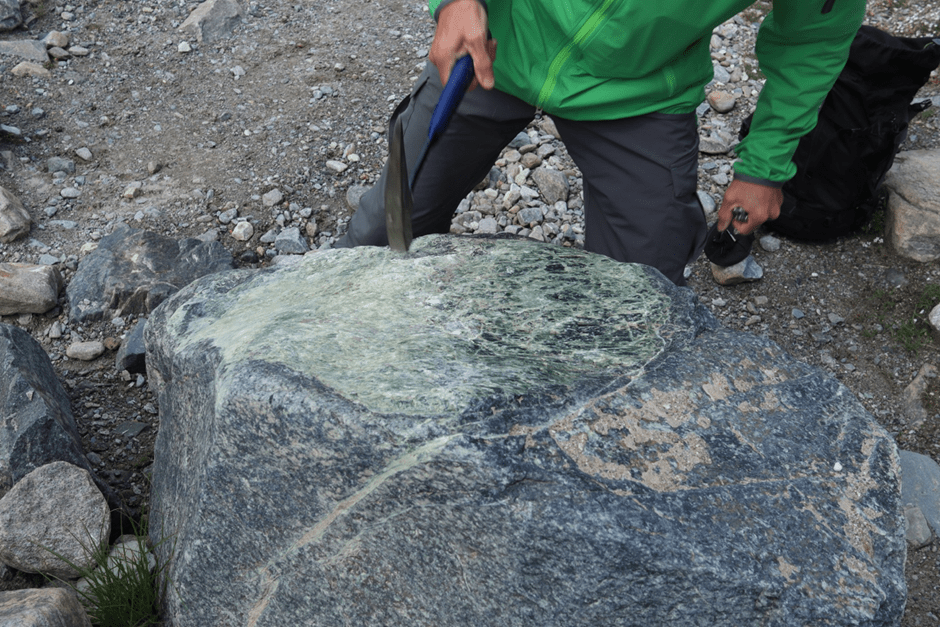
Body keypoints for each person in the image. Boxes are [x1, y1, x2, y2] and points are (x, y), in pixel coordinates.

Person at [336, 0, 866, 286]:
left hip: (641, 88)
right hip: (502, 41)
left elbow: (813, 39)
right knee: (382, 233)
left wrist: (763, 168)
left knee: (642, 291)